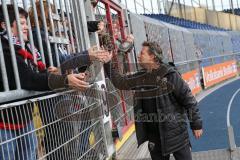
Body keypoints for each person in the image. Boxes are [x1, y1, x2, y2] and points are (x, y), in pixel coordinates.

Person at [0, 4, 110, 160]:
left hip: (24, 117)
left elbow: (41, 69)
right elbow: (29, 78)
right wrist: (65, 77)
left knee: (65, 136)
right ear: (5, 25)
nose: (27, 27)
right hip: (6, 122)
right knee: (60, 139)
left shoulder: (25, 45)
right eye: (22, 23)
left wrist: (54, 73)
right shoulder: (9, 47)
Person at [105, 41, 203, 160]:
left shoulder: (170, 75)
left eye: (142, 53)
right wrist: (107, 63)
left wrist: (196, 124)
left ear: (152, 56)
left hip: (176, 134)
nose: (138, 56)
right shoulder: (140, 77)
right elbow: (120, 82)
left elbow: (188, 100)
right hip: (154, 136)